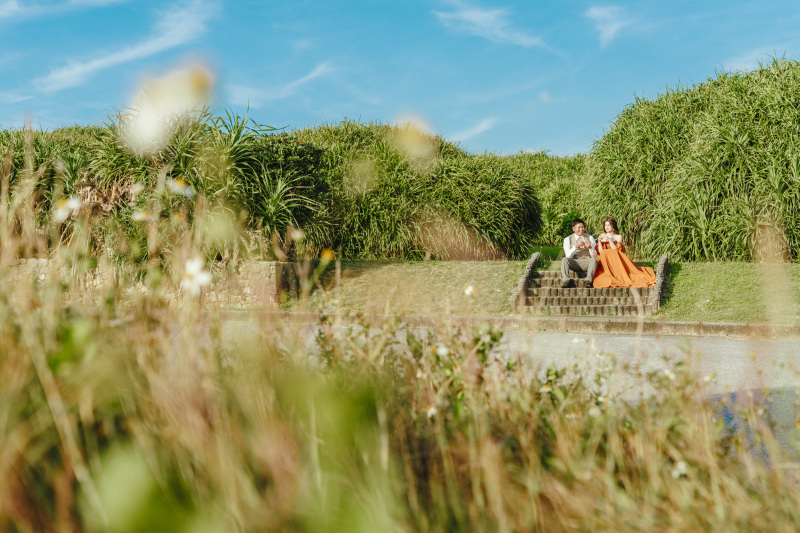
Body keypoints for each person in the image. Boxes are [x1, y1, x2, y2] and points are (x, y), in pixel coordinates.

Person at [593, 217, 656, 288]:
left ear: (613, 226)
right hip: (605, 259)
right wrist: (599, 241)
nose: (606, 227)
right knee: (604, 254)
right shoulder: (603, 236)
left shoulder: (618, 236)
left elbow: (617, 251)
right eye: (605, 225)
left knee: (613, 254)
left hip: (615, 259)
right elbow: (601, 252)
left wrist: (609, 240)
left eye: (609, 225)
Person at [561, 218, 597, 288]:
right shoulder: (567, 239)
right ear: (573, 229)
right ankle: (566, 281)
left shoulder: (590, 237)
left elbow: (594, 256)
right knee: (564, 259)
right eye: (579, 227)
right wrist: (575, 247)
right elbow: (568, 256)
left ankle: (588, 281)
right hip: (575, 262)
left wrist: (590, 248)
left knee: (593, 260)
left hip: (586, 261)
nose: (581, 229)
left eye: (583, 227)